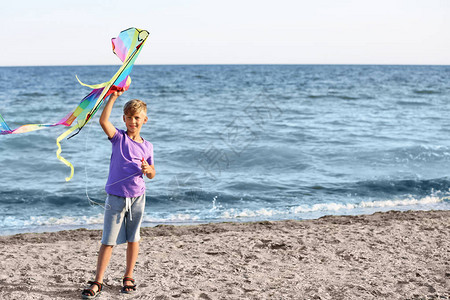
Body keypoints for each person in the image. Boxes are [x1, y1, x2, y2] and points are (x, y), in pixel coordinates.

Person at [81, 91, 155, 299]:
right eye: (129, 117)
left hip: (138, 197)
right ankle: (98, 280)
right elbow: (103, 120)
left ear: (144, 120)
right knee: (108, 240)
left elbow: (152, 174)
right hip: (115, 197)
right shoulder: (118, 138)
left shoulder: (148, 146)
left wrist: (148, 169)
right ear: (124, 119)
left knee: (134, 238)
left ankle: (128, 275)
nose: (133, 121)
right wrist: (113, 97)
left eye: (137, 118)